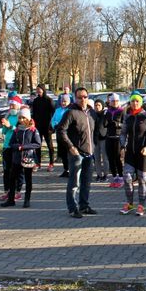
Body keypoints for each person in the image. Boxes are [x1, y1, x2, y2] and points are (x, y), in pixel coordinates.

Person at [57, 87, 97, 219]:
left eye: (85, 96)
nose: (83, 99)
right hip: (76, 153)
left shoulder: (91, 112)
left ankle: (84, 205)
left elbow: (95, 131)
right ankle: (72, 208)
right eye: (80, 97)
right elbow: (61, 130)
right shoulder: (71, 112)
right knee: (74, 182)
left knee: (86, 182)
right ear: (75, 98)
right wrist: (70, 146)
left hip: (89, 153)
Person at [119, 94, 146, 216]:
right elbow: (123, 133)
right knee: (127, 177)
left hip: (143, 152)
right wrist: (123, 146)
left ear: (140, 103)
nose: (135, 103)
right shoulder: (128, 116)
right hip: (131, 152)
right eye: (133, 101)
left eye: (137, 101)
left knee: (142, 179)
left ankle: (141, 206)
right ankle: (129, 204)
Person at [0, 107, 41, 208]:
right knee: (12, 178)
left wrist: (23, 147)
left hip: (28, 157)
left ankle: (27, 200)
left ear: (28, 118)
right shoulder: (17, 130)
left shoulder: (32, 130)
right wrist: (16, 147)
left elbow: (37, 144)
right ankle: (11, 199)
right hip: (16, 158)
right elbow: (11, 143)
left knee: (28, 179)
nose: (21, 120)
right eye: (20, 118)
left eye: (23, 118)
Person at [0, 96, 24, 202]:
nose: (11, 107)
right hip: (7, 146)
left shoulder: (22, 116)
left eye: (13, 105)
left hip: (17, 146)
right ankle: (7, 191)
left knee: (17, 170)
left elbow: (22, 130)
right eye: (10, 105)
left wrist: (10, 126)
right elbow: (4, 132)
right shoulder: (8, 115)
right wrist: (4, 125)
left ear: (18, 105)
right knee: (6, 170)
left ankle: (18, 191)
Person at [31, 84, 55, 172]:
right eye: (37, 90)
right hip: (38, 126)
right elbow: (33, 113)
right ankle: (38, 163)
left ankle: (51, 163)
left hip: (47, 126)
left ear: (43, 90)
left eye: (40, 90)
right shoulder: (36, 101)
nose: (38, 91)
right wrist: (33, 123)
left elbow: (53, 113)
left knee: (50, 146)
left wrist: (52, 125)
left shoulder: (49, 100)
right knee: (38, 145)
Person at [104, 93, 125, 188]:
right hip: (109, 137)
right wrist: (105, 121)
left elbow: (125, 124)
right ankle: (114, 177)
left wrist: (117, 124)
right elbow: (104, 124)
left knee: (117, 158)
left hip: (117, 137)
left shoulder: (121, 111)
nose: (115, 102)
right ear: (110, 102)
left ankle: (121, 177)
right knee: (110, 158)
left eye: (116, 101)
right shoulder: (107, 111)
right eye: (113, 101)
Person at [51, 94, 71, 177]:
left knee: (68, 152)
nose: (63, 103)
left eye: (65, 101)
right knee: (62, 153)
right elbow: (53, 120)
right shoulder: (58, 110)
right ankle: (65, 169)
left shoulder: (70, 110)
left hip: (68, 133)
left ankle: (71, 169)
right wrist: (54, 125)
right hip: (59, 133)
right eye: (62, 101)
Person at [93, 98, 109, 182]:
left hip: (104, 138)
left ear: (102, 106)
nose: (97, 107)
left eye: (99, 105)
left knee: (105, 157)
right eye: (95, 105)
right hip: (95, 139)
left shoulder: (105, 114)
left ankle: (106, 174)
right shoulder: (92, 114)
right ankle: (99, 174)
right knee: (96, 158)